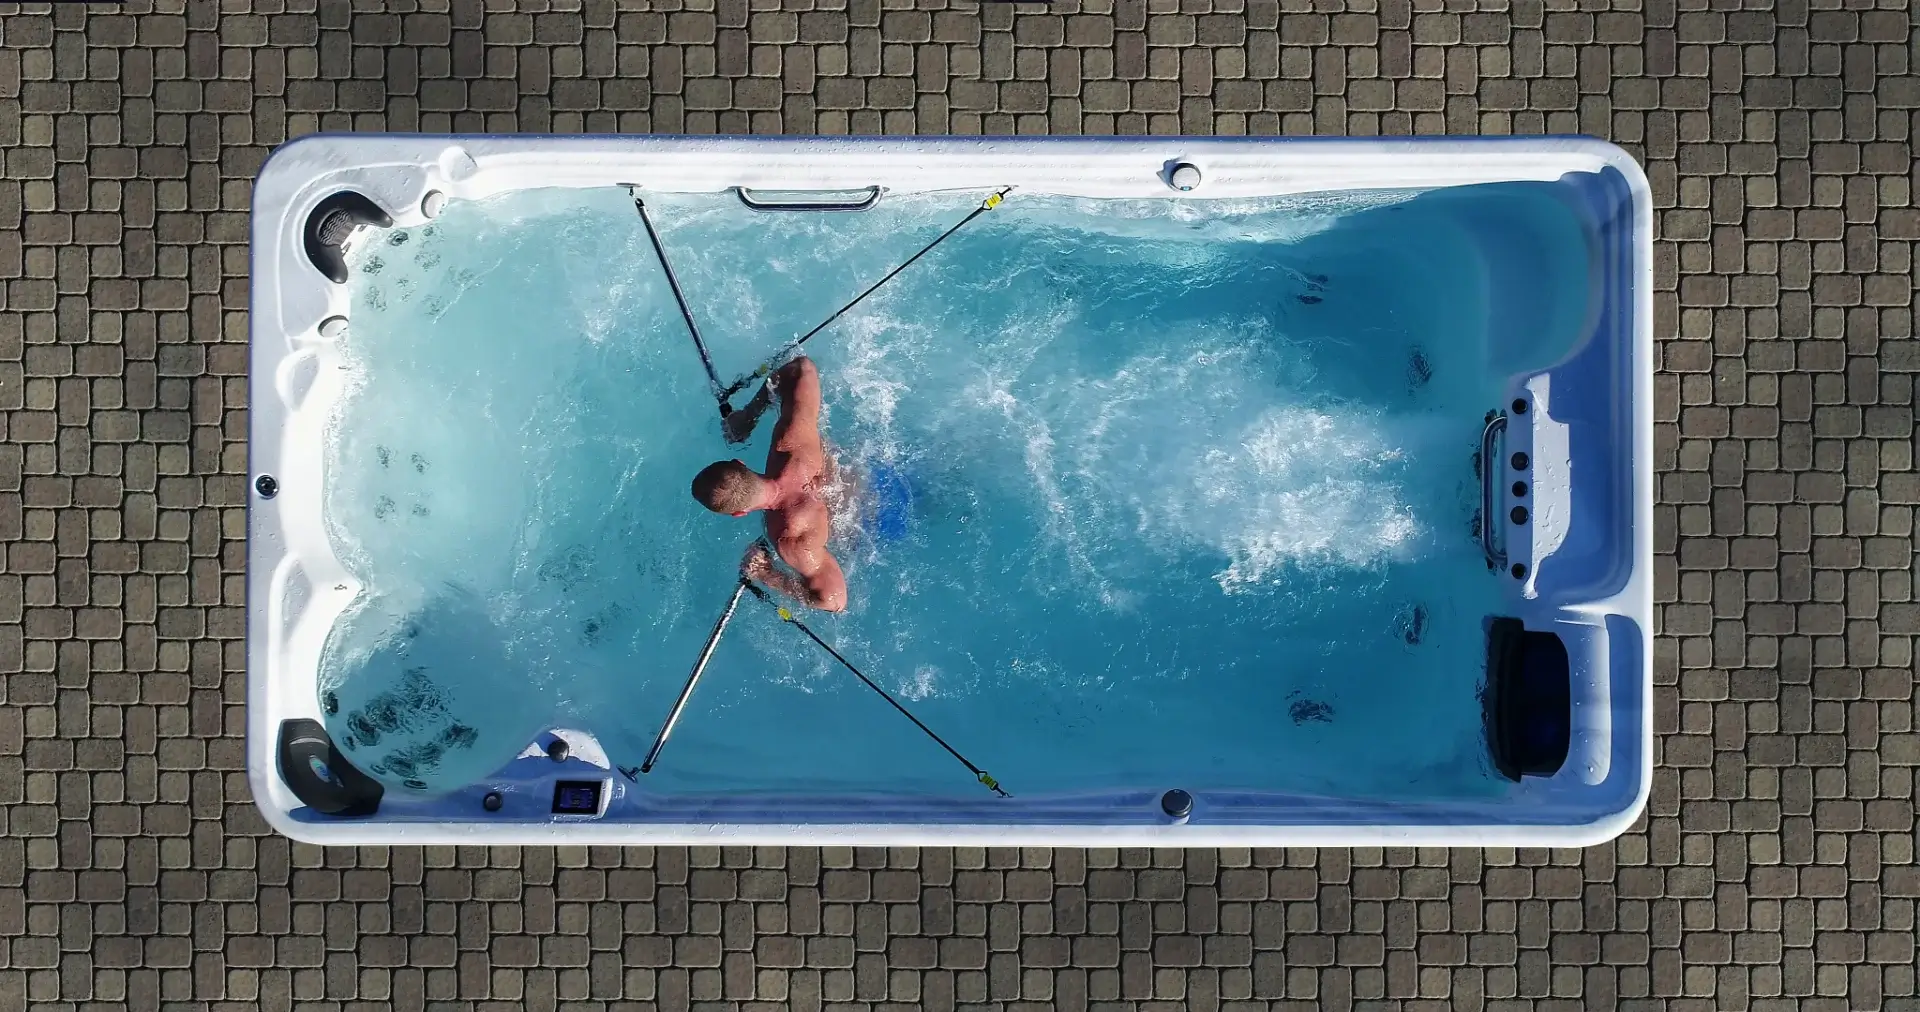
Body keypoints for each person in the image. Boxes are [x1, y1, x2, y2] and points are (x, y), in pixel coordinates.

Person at [690, 357, 849, 612]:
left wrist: (767, 574)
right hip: (868, 477)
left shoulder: (789, 538)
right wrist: (748, 416)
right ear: (740, 462)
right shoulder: (790, 442)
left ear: (738, 513)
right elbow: (802, 368)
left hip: (877, 523)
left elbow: (834, 600)